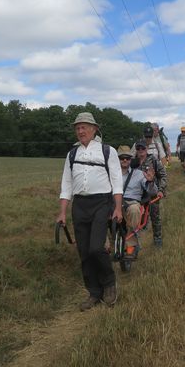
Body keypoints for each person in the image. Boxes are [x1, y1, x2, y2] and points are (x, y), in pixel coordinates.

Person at [57, 112, 123, 311]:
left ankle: (109, 284)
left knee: (96, 248)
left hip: (102, 203)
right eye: (77, 128)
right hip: (80, 206)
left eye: (84, 127)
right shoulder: (72, 155)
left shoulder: (107, 151)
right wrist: (62, 212)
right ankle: (94, 291)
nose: (80, 131)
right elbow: (66, 184)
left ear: (94, 129)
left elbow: (117, 180)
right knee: (84, 252)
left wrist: (118, 207)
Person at [116, 145, 157, 265]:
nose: (124, 160)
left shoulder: (139, 174)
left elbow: (153, 192)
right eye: (122, 158)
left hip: (131, 202)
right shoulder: (111, 174)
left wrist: (150, 181)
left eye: (127, 158)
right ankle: (104, 247)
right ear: (117, 159)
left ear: (131, 159)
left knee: (134, 210)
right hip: (115, 202)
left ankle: (131, 246)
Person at [133, 139, 167, 247]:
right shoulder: (133, 162)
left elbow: (163, 176)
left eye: (143, 148)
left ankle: (158, 240)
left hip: (152, 194)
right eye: (138, 148)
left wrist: (161, 190)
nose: (140, 150)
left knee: (155, 217)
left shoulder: (153, 160)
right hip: (137, 195)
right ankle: (134, 243)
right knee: (136, 219)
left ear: (146, 149)